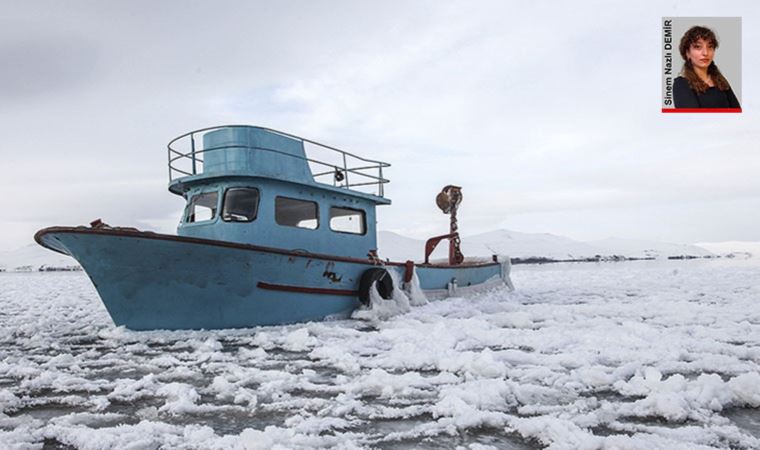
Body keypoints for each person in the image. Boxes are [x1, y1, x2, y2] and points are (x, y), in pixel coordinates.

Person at [673, 25, 740, 109]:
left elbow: (738, 112)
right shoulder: (681, 84)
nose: (705, 53)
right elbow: (693, 119)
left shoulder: (720, 81)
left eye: (710, 46)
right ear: (687, 53)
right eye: (698, 47)